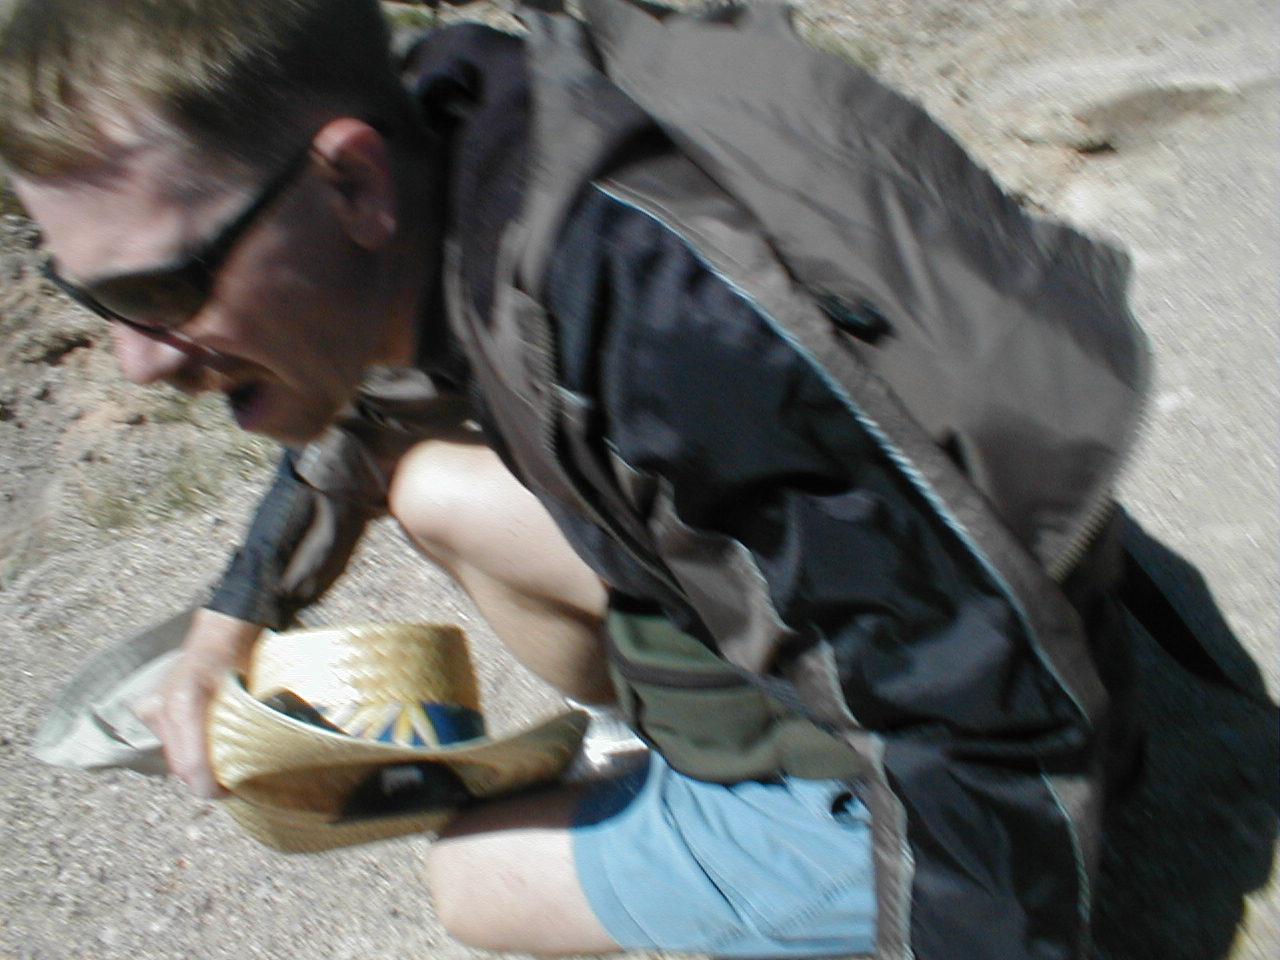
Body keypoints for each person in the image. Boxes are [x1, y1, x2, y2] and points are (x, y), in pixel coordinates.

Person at [2, 2, 1144, 958]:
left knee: (472, 880)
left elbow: (970, 710)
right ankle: (671, 766)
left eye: (161, 292)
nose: (138, 361)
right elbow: (358, 415)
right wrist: (230, 625)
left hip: (992, 731)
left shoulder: (652, 324)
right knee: (428, 484)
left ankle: (770, 825)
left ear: (351, 183)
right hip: (910, 584)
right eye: (91, 296)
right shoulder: (454, 143)